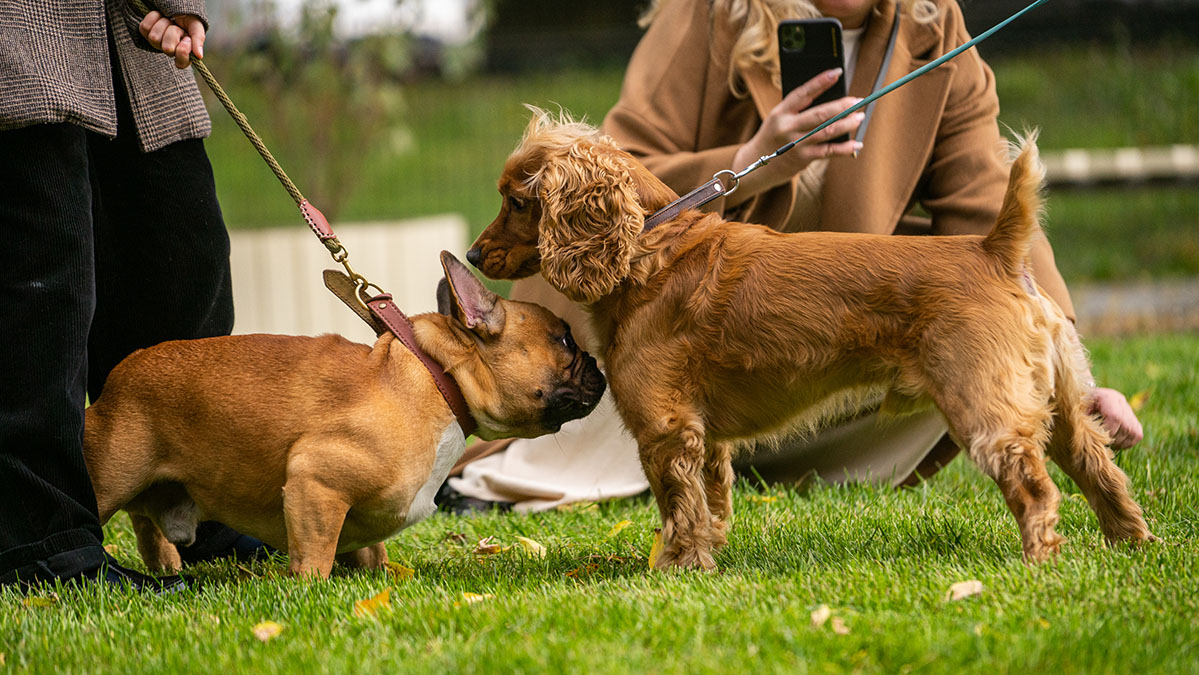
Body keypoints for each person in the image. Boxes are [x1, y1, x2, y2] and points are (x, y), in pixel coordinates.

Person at [444, 0, 1143, 511]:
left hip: (829, 337)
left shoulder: (936, 28)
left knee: (961, 337)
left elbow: (992, 225)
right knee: (648, 388)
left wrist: (1072, 376)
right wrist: (753, 163)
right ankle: (576, 469)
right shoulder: (707, 14)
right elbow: (609, 169)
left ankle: (783, 463)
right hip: (673, 327)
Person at [0, 0, 266, 591]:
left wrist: (182, 5)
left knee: (183, 259)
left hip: (128, 30)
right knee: (40, 277)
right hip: (17, 27)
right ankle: (37, 539)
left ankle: (203, 508)